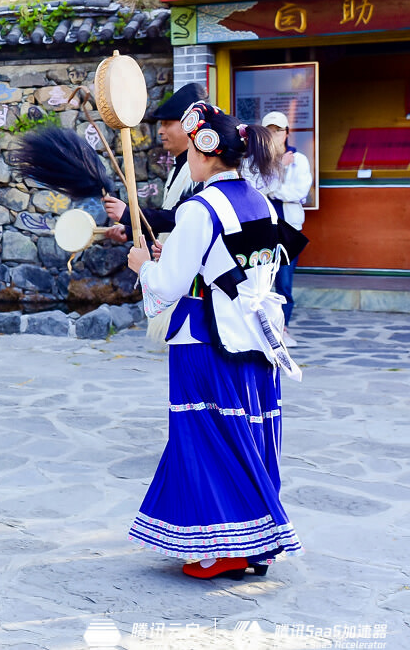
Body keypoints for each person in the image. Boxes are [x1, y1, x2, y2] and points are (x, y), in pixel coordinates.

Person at [125, 101, 305, 581]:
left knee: (207, 438)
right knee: (249, 435)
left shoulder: (199, 208)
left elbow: (168, 285)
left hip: (206, 338)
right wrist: (172, 261)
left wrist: (145, 265)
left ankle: (222, 546)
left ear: (204, 152)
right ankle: (252, 545)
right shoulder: (261, 200)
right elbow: (237, 265)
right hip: (257, 338)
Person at [104, 83, 204, 243]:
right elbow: (168, 216)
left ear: (188, 125)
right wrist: (130, 230)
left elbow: (179, 217)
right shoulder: (179, 167)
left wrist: (129, 215)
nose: (160, 131)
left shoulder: (201, 170)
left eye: (167, 124)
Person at [244, 111, 311, 345]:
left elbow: (299, 192)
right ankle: (260, 327)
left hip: (288, 228)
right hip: (261, 227)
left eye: (278, 130)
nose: (274, 135)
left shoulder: (299, 159)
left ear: (287, 133)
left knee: (284, 281)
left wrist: (272, 189)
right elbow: (251, 190)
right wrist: (279, 169)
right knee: (259, 280)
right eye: (269, 131)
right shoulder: (251, 160)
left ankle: (282, 327)